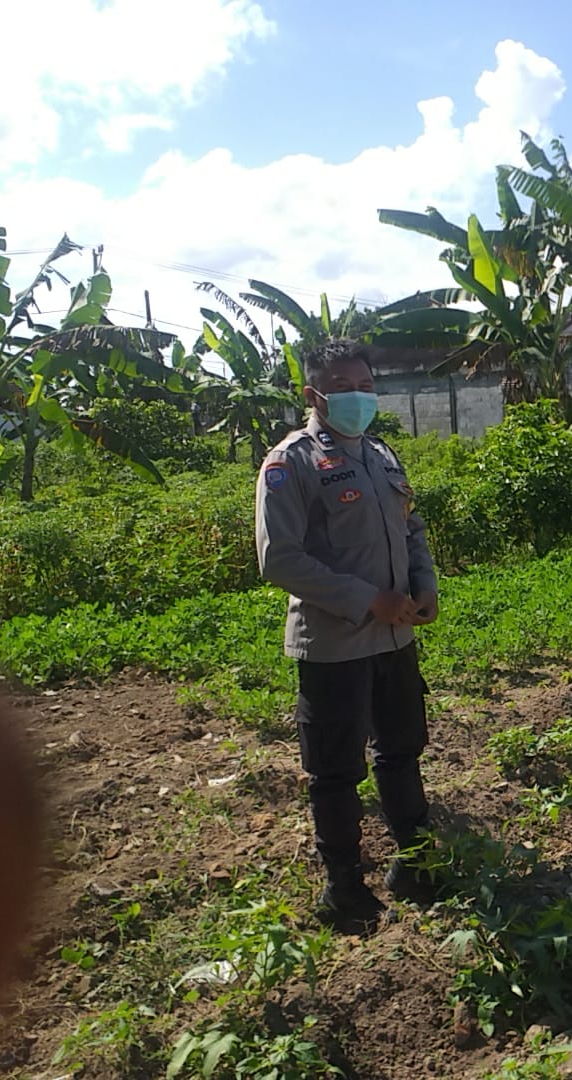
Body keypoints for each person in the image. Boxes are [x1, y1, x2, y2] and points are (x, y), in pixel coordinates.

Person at [255, 339, 439, 933]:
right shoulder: (291, 464)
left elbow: (410, 527)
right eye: (345, 387)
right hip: (335, 646)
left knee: (401, 749)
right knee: (335, 771)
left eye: (366, 384)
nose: (360, 396)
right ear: (314, 395)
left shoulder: (383, 456)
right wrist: (370, 601)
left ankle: (414, 865)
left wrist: (422, 582)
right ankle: (344, 888)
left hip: (394, 641)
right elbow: (279, 559)